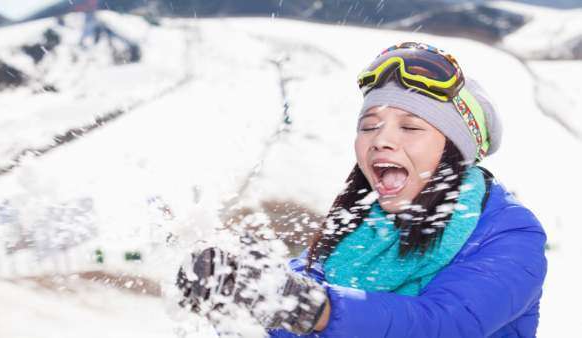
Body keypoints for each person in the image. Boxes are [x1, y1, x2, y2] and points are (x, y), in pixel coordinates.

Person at [176, 42, 547, 338]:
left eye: (411, 127)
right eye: (369, 126)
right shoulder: (357, 233)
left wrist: (312, 308)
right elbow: (289, 311)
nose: (381, 140)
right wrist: (237, 293)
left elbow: (442, 324)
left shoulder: (510, 233)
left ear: (454, 148)